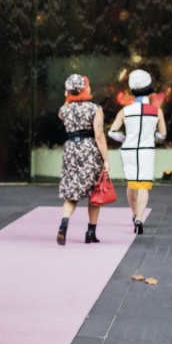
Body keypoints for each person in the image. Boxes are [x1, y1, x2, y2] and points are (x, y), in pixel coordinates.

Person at [108, 69, 167, 234]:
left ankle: (134, 214)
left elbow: (112, 132)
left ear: (133, 90)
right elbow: (163, 134)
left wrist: (125, 139)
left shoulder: (125, 111)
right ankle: (140, 219)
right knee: (143, 185)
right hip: (146, 150)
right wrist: (153, 135)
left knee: (132, 183)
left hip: (129, 151)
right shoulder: (157, 111)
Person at [56, 74, 109, 245]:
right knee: (95, 192)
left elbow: (62, 112)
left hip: (71, 149)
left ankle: (63, 226)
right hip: (89, 150)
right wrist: (106, 159)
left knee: (72, 193)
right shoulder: (95, 109)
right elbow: (99, 135)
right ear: (84, 88)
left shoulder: (63, 110)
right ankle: (90, 232)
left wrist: (68, 97)